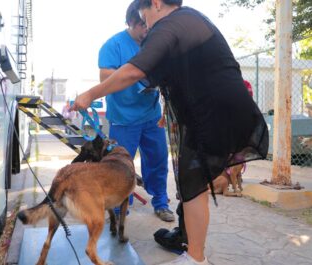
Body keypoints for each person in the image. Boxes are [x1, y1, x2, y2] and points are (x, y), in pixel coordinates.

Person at [71, 0, 269, 264]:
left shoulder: (169, 25)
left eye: (145, 16)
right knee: (193, 186)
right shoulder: (192, 20)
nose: (146, 24)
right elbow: (177, 75)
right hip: (221, 110)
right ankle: (192, 250)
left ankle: (195, 257)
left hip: (210, 115)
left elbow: (132, 72)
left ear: (155, 4)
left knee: (193, 186)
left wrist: (89, 94)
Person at [153, 78, 256, 255]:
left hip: (200, 133)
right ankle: (188, 237)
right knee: (192, 185)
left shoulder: (191, 70)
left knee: (191, 186)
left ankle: (187, 240)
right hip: (198, 131)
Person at [98, 0, 174, 222]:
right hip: (123, 119)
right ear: (131, 22)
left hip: (152, 117)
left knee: (158, 160)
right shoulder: (113, 45)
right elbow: (105, 78)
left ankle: (160, 202)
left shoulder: (153, 42)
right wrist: (135, 78)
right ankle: (122, 206)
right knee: (121, 166)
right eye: (143, 25)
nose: (147, 29)